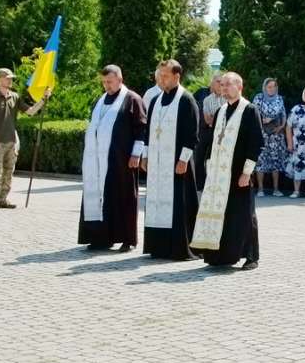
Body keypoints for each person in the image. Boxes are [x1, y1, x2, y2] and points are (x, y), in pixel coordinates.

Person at [194, 72, 264, 269]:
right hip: (219, 175)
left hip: (238, 173)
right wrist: (209, 165)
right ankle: (221, 256)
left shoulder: (249, 110)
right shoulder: (221, 111)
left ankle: (251, 256)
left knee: (244, 214)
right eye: (222, 85)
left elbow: (256, 143)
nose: (224, 88)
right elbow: (212, 141)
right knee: (224, 214)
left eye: (228, 85)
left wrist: (246, 172)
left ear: (239, 87)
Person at [135, 59, 200, 260]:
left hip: (177, 163)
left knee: (178, 204)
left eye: (165, 76)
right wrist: (145, 156)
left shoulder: (186, 100)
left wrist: (183, 160)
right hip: (156, 164)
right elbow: (148, 132)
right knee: (156, 203)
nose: (161, 80)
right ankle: (158, 247)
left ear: (176, 76)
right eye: (160, 76)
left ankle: (179, 248)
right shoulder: (155, 100)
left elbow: (192, 134)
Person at [78, 64, 145, 252]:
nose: (106, 86)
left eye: (110, 82)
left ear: (120, 80)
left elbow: (141, 129)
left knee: (123, 198)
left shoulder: (132, 99)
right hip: (98, 161)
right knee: (102, 197)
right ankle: (100, 237)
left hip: (121, 160)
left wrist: (136, 153)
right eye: (104, 82)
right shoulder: (100, 100)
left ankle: (127, 239)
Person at [0, 68, 50, 211]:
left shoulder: (15, 97)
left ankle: (3, 199)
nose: (10, 80)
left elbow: (30, 111)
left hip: (11, 141)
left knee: (8, 172)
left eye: (11, 78)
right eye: (7, 78)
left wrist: (43, 99)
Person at [252, 78, 289, 196]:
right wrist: (261, 121)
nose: (272, 89)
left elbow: (283, 114)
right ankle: (260, 189)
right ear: (265, 87)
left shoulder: (279, 99)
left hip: (276, 134)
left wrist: (282, 126)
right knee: (261, 161)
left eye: (274, 86)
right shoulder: (258, 98)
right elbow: (253, 113)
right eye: (269, 87)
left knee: (275, 161)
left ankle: (276, 189)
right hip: (262, 133)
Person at [195, 73, 226, 188]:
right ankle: (200, 184)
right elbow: (207, 118)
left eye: (222, 82)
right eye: (218, 82)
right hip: (203, 130)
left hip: (221, 133)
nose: (220, 84)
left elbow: (227, 118)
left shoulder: (226, 98)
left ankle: (216, 183)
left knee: (215, 158)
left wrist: (214, 117)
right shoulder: (202, 93)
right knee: (199, 157)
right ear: (212, 82)